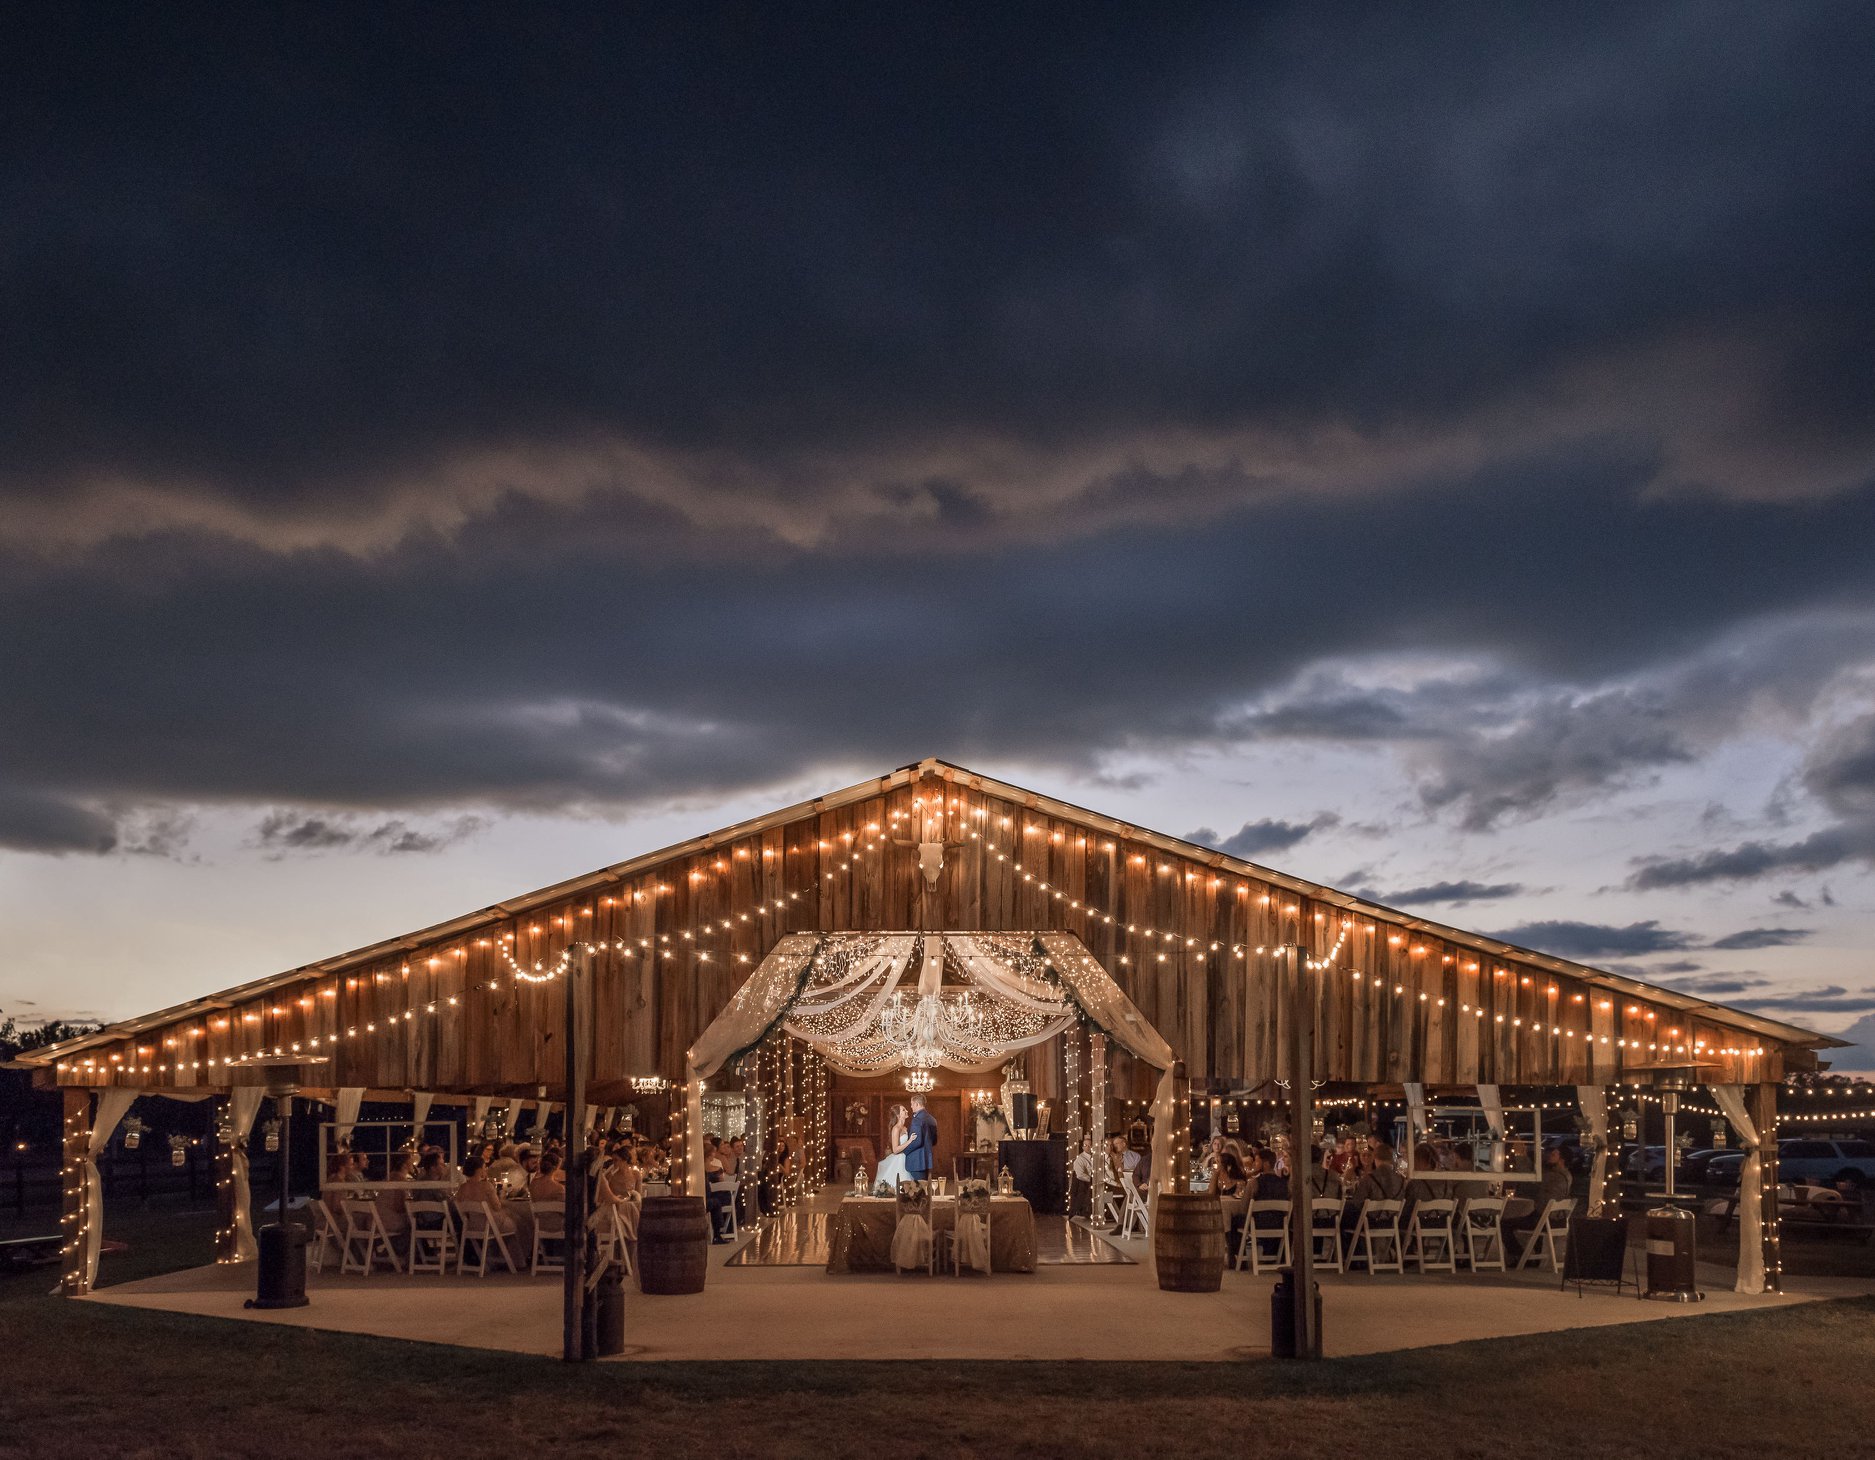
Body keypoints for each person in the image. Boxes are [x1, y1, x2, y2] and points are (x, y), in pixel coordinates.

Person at [453, 1155, 518, 1238]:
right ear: (479, 1170)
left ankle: (492, 1249)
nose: (486, 1169)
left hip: (471, 1226)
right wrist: (501, 1195)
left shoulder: (462, 1188)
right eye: (484, 1167)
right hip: (489, 1226)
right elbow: (497, 1207)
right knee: (516, 1222)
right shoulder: (487, 1186)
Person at [875, 1103, 913, 1192]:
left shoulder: (905, 1128)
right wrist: (909, 1141)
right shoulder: (896, 1128)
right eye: (903, 1110)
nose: (907, 1111)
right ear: (898, 1115)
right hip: (900, 1160)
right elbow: (895, 1150)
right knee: (899, 1187)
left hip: (907, 1158)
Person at [902, 1094, 938, 1186]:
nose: (911, 1107)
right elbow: (934, 1141)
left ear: (917, 1104)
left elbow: (916, 1141)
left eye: (912, 1104)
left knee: (917, 1190)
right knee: (924, 1188)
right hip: (926, 1159)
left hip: (916, 1160)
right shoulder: (932, 1119)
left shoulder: (917, 1120)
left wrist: (904, 1151)